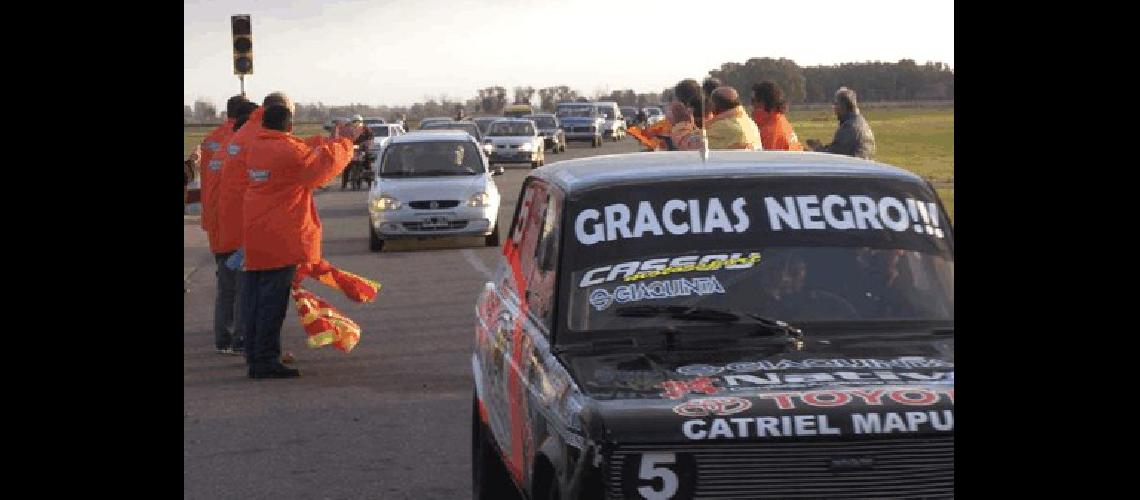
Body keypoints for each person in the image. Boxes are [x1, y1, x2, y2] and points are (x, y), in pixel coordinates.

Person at [238, 105, 360, 379]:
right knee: (272, 303)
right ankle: (265, 361)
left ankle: (256, 355)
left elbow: (299, 150)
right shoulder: (289, 153)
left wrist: (327, 140)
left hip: (257, 234)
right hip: (281, 237)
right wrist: (345, 142)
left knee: (256, 301)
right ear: (289, 125)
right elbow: (320, 168)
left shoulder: (257, 147)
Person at [199, 95, 248, 354]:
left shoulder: (211, 141)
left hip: (215, 221)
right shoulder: (238, 141)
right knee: (240, 285)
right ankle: (237, 337)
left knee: (225, 284)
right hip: (235, 222)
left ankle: (223, 337)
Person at [805, 87, 876, 159]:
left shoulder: (850, 127)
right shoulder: (861, 123)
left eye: (836, 104)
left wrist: (818, 149)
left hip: (853, 168)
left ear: (843, 106)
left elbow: (834, 155)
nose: (834, 108)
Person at [751, 81, 804, 151]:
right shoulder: (780, 120)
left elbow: (766, 160)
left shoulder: (770, 132)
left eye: (753, 100)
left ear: (763, 102)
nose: (751, 104)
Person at [341, 114, 375, 190]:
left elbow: (371, 138)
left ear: (361, 122)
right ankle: (344, 184)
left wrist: (366, 143)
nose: (356, 123)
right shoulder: (349, 130)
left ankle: (370, 183)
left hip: (363, 149)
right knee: (346, 167)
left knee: (367, 164)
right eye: (354, 121)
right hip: (352, 151)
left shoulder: (366, 129)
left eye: (358, 121)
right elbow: (345, 138)